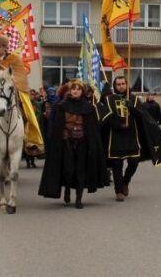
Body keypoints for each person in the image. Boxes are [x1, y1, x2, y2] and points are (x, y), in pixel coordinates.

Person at [100, 76, 161, 201]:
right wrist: (117, 123)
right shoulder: (109, 99)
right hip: (116, 137)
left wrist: (132, 108)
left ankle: (125, 182)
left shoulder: (133, 99)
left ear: (126, 84)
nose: (121, 86)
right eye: (118, 84)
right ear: (115, 86)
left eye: (123, 83)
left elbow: (142, 116)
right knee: (117, 164)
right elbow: (105, 116)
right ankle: (118, 191)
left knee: (134, 162)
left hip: (132, 136)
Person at [38, 79, 108, 209]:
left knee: (80, 171)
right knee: (68, 170)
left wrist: (91, 142)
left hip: (82, 143)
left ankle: (78, 199)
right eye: (73, 89)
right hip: (66, 143)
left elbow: (93, 128)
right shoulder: (61, 106)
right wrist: (60, 135)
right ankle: (68, 190)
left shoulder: (89, 108)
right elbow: (56, 126)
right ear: (70, 91)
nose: (75, 91)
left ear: (82, 92)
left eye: (78, 89)